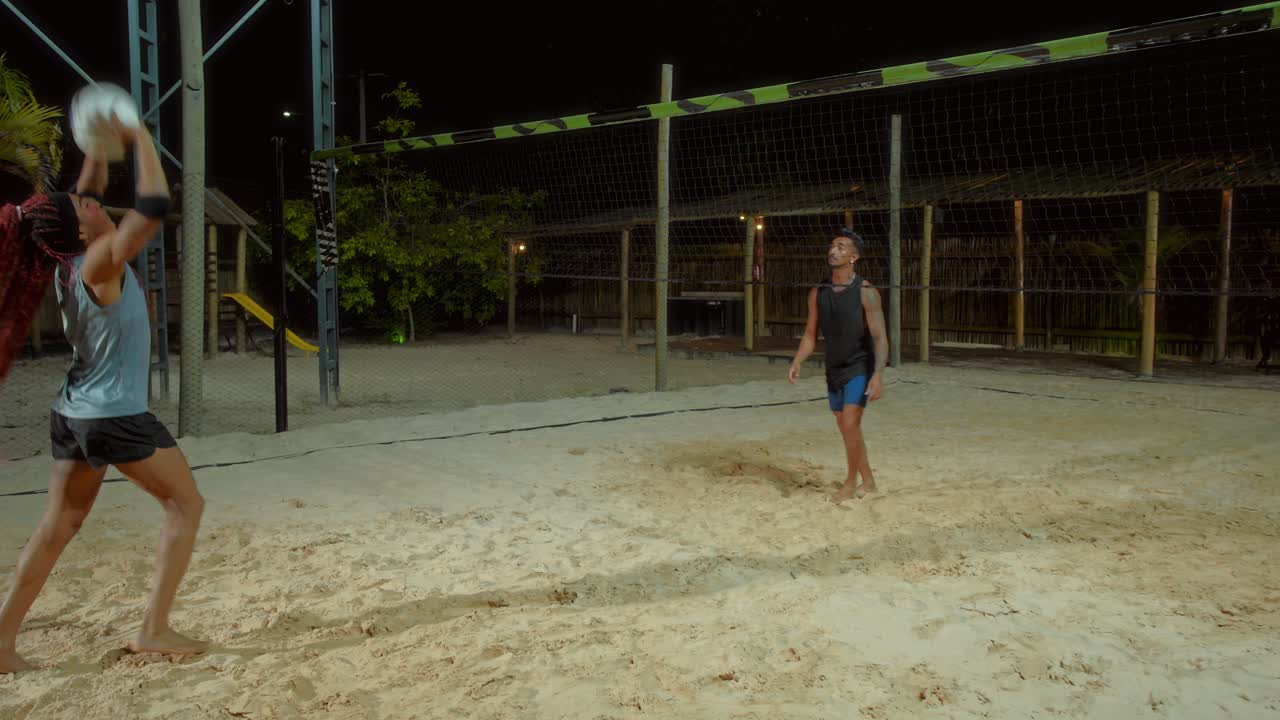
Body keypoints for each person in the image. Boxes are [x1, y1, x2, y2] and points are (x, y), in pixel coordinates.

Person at [0, 118, 207, 673]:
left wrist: (94, 144)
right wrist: (139, 138)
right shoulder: (101, 261)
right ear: (83, 227)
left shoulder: (65, 255)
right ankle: (154, 629)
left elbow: (83, 196)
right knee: (185, 505)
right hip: (115, 417)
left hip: (73, 413)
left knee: (58, 525)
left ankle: (0, 644)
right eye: (85, 205)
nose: (94, 201)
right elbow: (154, 205)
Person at [787, 227, 889, 504]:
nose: (834, 250)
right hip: (834, 368)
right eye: (832, 246)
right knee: (847, 428)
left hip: (860, 365)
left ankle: (850, 483)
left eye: (842, 247)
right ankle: (868, 481)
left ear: (854, 257)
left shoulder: (866, 292)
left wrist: (878, 375)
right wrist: (798, 359)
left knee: (849, 422)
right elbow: (810, 334)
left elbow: (880, 338)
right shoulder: (818, 292)